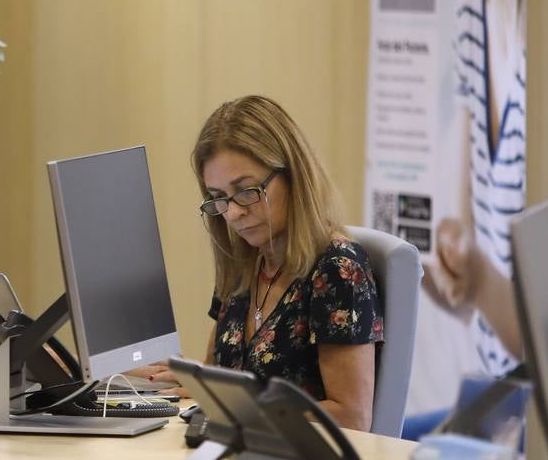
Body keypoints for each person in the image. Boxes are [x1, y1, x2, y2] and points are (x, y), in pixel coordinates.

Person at [149, 96, 382, 432]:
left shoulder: (337, 270)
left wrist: (239, 405)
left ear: (293, 175)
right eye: (218, 197)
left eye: (246, 191)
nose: (233, 212)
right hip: (240, 454)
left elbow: (352, 416)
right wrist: (190, 378)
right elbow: (221, 374)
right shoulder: (243, 263)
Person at [423, 0, 527, 373]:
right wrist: (442, 261)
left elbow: (545, 346)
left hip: (536, 405)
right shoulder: (473, 13)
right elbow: (452, 231)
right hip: (491, 384)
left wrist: (476, 277)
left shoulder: (546, 49)